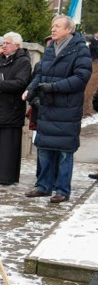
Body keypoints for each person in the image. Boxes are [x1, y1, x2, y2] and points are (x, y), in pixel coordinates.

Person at [23, 14, 92, 203]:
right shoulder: (51, 48)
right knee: (44, 149)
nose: (52, 29)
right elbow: (40, 73)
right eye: (52, 25)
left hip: (66, 110)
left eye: (57, 26)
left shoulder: (80, 50)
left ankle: (62, 190)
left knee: (64, 152)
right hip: (47, 106)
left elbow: (80, 78)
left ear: (69, 30)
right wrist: (30, 89)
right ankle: (43, 186)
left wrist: (54, 87)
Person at [0, 32, 32, 185]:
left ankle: (4, 177)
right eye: (3, 43)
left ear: (17, 46)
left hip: (11, 108)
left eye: (7, 43)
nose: (4, 45)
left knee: (7, 147)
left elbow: (21, 83)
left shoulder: (23, 62)